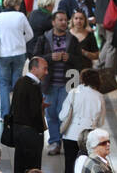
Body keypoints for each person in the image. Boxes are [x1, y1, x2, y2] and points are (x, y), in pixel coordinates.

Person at [33, 10, 83, 155]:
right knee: (51, 113)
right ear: (53, 22)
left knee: (67, 113)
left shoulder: (72, 40)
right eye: (60, 20)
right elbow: (35, 58)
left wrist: (70, 58)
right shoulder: (44, 39)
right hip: (49, 83)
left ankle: (67, 140)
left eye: (65, 20)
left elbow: (80, 61)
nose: (63, 23)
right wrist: (50, 57)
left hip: (69, 82)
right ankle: (54, 141)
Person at [0, 0, 34, 120]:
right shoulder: (21, 16)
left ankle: (5, 114)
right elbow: (30, 34)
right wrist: (21, 41)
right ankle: (17, 112)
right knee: (17, 83)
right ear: (18, 4)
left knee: (4, 84)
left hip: (2, 53)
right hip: (19, 53)